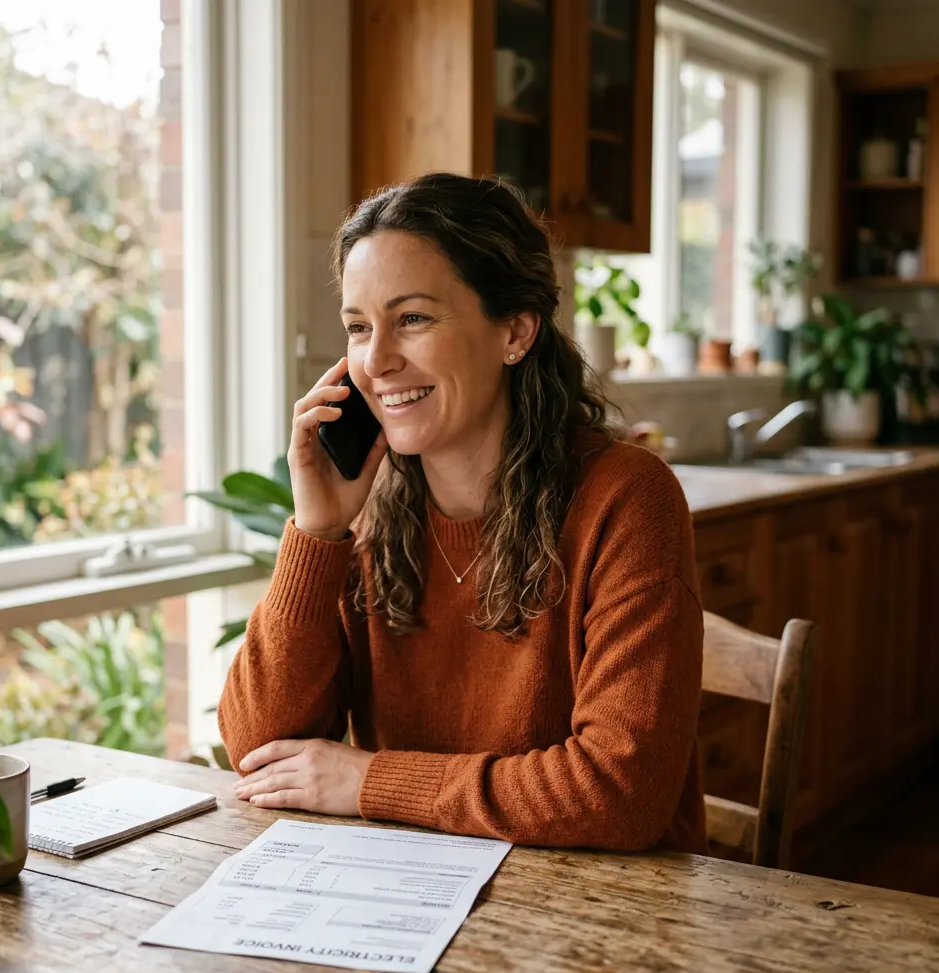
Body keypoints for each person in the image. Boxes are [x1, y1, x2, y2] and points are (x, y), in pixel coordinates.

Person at [219, 172, 707, 853]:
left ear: (515, 331)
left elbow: (618, 794)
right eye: (358, 328)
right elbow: (261, 751)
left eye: (412, 318)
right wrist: (318, 531)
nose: (377, 360)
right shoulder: (366, 504)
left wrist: (371, 783)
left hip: (603, 914)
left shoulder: (626, 498)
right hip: (412, 898)